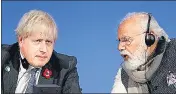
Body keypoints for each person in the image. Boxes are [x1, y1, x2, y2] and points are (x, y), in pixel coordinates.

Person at [2, 9, 82, 94]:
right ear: (21, 40)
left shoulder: (65, 68)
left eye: (48, 42)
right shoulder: (3, 57)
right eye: (37, 41)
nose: (44, 49)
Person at [111, 12, 176, 93]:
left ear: (149, 38)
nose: (119, 47)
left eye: (126, 40)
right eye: (119, 41)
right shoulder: (123, 76)